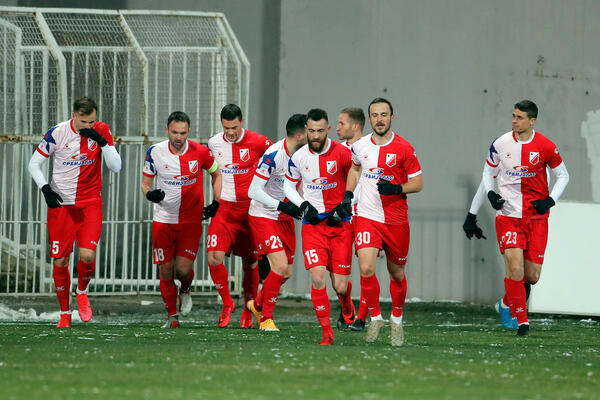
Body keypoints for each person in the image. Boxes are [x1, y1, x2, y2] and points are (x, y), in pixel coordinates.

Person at [27, 96, 122, 327]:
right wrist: (46, 189)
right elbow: (33, 164)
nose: (89, 126)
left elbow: (116, 167)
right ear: (74, 116)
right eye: (84, 122)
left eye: (92, 122)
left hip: (90, 203)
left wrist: (103, 142)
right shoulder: (57, 132)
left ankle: (81, 291)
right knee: (60, 260)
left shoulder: (101, 131)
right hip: (62, 206)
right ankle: (64, 313)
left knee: (87, 256)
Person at [479, 100, 569, 336]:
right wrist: (491, 193)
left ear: (532, 121)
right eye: (513, 116)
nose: (514, 121)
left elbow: (563, 176)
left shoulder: (546, 146)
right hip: (508, 216)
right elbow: (489, 172)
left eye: (519, 117)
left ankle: (505, 303)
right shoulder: (500, 143)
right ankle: (522, 321)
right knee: (516, 269)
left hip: (536, 218)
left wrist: (550, 200)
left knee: (532, 276)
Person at [345, 98, 423, 346]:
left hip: (396, 219)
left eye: (384, 114)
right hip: (367, 215)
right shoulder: (360, 146)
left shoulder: (404, 148)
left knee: (396, 273)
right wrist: (348, 194)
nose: (379, 119)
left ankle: (396, 320)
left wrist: (396, 188)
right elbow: (356, 170)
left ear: (392, 117)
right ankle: (376, 317)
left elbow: (418, 183)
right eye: (375, 115)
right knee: (366, 267)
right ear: (369, 119)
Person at [142, 111, 222, 328]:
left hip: (190, 221)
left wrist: (216, 202)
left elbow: (216, 174)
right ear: (167, 130)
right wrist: (150, 194)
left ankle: (185, 289)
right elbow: (146, 183)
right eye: (175, 132)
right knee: (165, 270)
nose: (178, 137)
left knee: (183, 270)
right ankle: (172, 316)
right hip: (163, 219)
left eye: (183, 133)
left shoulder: (201, 152)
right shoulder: (155, 152)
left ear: (189, 132)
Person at [283, 108, 356, 345]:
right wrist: (303, 204)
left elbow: (358, 177)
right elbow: (288, 187)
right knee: (317, 278)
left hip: (340, 224)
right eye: (311, 131)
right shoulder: (299, 157)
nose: (315, 136)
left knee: (340, 284)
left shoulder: (344, 153)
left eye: (320, 131)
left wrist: (346, 202)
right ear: (306, 130)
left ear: (327, 130)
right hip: (313, 225)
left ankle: (346, 305)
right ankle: (327, 333)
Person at [207, 104, 273, 328]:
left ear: (242, 121)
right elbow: (212, 171)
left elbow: (277, 162)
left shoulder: (259, 142)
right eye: (226, 128)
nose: (231, 132)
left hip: (250, 209)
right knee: (213, 257)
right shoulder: (214, 143)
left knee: (251, 263)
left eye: (234, 127)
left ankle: (248, 308)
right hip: (224, 210)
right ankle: (227, 304)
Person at [245, 114, 307, 331]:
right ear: (300, 135)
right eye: (310, 132)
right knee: (279, 266)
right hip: (263, 214)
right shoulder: (273, 155)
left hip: (285, 217)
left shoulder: (304, 155)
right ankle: (266, 319)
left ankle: (258, 304)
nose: (314, 137)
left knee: (285, 272)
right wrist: (283, 205)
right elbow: (253, 191)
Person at [336, 107, 370, 332]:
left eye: (341, 123)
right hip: (340, 217)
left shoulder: (369, 147)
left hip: (365, 214)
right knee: (336, 271)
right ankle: (346, 308)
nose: (337, 127)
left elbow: (365, 179)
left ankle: (362, 317)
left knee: (366, 268)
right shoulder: (336, 149)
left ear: (355, 126)